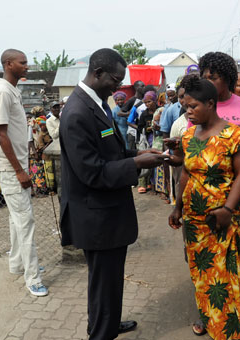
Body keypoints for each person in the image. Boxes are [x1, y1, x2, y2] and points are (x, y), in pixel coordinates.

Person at [59, 48, 166, 340]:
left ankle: (106, 320)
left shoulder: (97, 104)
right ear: (98, 74)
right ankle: (101, 332)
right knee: (104, 280)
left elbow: (111, 152)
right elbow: (92, 172)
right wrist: (135, 164)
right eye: (115, 81)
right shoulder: (77, 113)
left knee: (107, 280)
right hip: (96, 216)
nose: (119, 88)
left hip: (107, 212)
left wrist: (140, 154)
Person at [168, 76, 240, 339]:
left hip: (225, 215)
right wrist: (177, 207)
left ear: (211, 104)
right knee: (202, 270)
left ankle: (228, 327)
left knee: (226, 271)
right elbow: (185, 173)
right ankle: (208, 316)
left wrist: (227, 209)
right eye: (185, 106)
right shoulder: (189, 134)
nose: (188, 111)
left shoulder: (234, 135)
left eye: (193, 106)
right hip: (195, 218)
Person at [0, 49, 48, 296]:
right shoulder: (2, 92)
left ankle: (18, 264)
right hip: (11, 168)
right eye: (23, 63)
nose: (27, 66)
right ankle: (32, 278)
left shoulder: (11, 90)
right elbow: (0, 135)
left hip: (15, 166)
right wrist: (20, 171)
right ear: (9, 64)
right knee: (26, 222)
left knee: (16, 218)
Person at [199, 51, 240, 129]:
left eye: (213, 78)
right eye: (204, 78)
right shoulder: (198, 106)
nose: (207, 83)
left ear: (227, 78)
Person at [137, 91, 158, 193]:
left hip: (158, 139)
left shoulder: (160, 111)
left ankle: (155, 184)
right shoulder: (144, 114)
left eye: (149, 101)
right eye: (145, 102)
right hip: (148, 140)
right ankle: (146, 183)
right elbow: (140, 127)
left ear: (155, 100)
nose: (147, 104)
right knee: (149, 160)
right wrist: (148, 128)